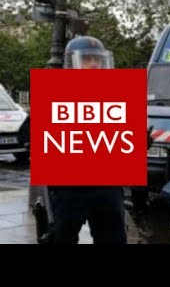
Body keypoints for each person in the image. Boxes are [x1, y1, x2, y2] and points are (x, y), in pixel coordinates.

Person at [49, 36, 127, 244]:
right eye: (86, 59)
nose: (93, 64)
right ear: (71, 62)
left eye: (97, 59)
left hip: (107, 186)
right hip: (70, 187)